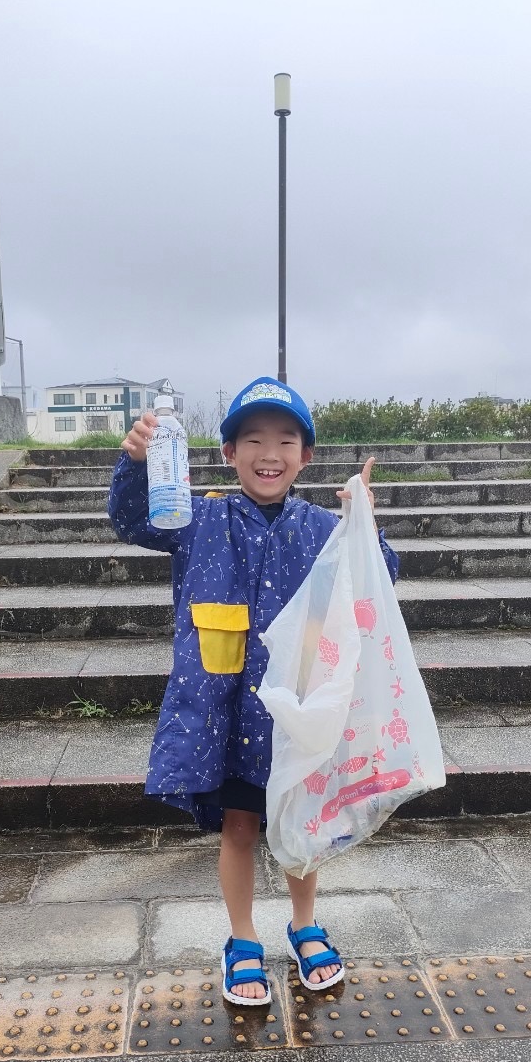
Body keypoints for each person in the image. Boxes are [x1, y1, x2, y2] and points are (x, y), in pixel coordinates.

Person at [109, 377, 399, 1006]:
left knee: (303, 821)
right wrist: (135, 465)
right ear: (228, 453)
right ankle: (242, 940)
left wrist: (364, 527)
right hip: (225, 709)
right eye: (254, 439)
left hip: (296, 709)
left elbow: (379, 579)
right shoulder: (195, 515)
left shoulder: (323, 527)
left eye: (286, 440)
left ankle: (303, 924)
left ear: (306, 457)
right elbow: (132, 520)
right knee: (239, 826)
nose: (270, 452)